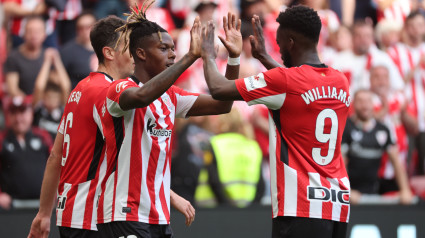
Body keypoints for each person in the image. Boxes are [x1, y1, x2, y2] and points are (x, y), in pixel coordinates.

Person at [201, 6, 350, 237]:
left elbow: (218, 89)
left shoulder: (284, 80)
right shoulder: (340, 81)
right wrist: (264, 58)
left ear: (291, 42)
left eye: (280, 45)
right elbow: (297, 86)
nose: (278, 50)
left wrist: (208, 53)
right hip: (337, 205)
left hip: (299, 207)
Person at [96, 6, 242, 237]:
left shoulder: (171, 96)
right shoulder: (119, 89)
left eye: (174, 49)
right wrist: (190, 56)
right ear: (141, 53)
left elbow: (222, 104)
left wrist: (234, 58)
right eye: (164, 48)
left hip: (159, 216)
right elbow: (143, 97)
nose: (172, 54)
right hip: (124, 214)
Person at [341, 89, 413, 204]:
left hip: (374, 191)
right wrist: (345, 190)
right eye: (360, 101)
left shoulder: (383, 129)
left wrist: (405, 190)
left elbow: (396, 161)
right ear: (354, 104)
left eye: (368, 101)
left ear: (373, 104)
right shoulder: (346, 127)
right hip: (350, 193)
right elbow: (340, 162)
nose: (364, 105)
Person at [0, 96, 52, 210]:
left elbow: (57, 164)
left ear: (31, 113)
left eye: (22, 112)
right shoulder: (2, 139)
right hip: (11, 208)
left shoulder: (43, 136)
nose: (18, 118)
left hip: (44, 206)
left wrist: (58, 190)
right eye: (13, 112)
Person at [332, 19, 404, 93]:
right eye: (359, 36)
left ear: (372, 38)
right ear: (352, 37)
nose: (363, 40)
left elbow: (398, 87)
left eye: (367, 36)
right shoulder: (339, 59)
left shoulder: (382, 58)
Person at [3, 16, 56, 97]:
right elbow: (13, 90)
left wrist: (56, 61)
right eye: (30, 31)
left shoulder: (49, 55)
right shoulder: (13, 57)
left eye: (38, 32)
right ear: (24, 34)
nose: (34, 35)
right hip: (22, 105)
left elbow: (61, 86)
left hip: (45, 103)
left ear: (44, 35)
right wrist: (29, 103)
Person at [60, 12, 98, 89]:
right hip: (78, 95)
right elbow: (55, 76)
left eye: (88, 27)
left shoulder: (106, 47)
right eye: (80, 28)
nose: (84, 31)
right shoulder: (67, 51)